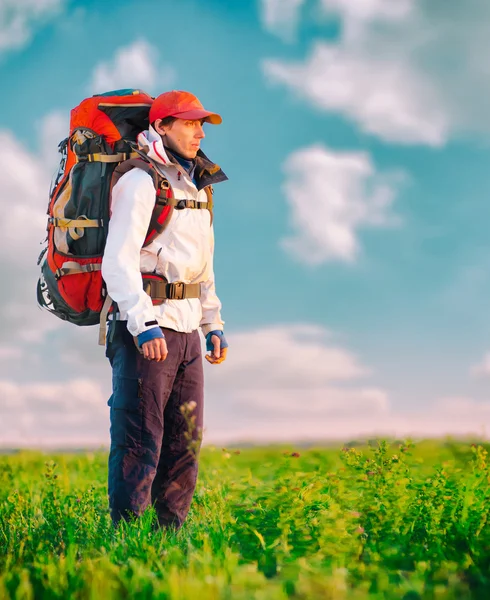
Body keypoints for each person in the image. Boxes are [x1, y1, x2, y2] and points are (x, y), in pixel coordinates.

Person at [101, 90, 229, 530]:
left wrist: (213, 323)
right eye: (189, 122)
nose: (198, 131)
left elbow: (203, 265)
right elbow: (117, 261)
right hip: (148, 328)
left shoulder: (196, 186)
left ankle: (168, 539)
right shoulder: (140, 181)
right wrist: (142, 323)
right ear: (161, 127)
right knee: (140, 440)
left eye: (202, 124)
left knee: (184, 443)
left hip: (188, 330)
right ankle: (126, 541)